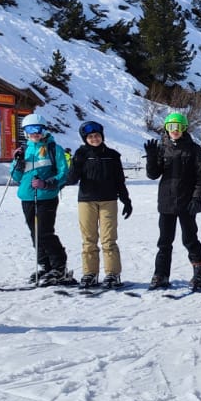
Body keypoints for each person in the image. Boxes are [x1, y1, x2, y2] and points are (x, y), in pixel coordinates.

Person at [62, 119, 132, 288]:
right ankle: (90, 273)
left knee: (109, 239)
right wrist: (75, 163)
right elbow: (71, 180)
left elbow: (120, 181)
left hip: (108, 200)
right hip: (87, 201)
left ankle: (113, 274)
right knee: (89, 239)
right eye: (90, 137)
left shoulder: (113, 155)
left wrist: (126, 200)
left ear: (102, 136)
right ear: (85, 139)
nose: (94, 139)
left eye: (97, 135)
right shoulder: (81, 154)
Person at [144, 111, 201, 291]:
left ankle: (200, 272)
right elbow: (153, 174)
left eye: (178, 127)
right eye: (171, 127)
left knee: (189, 238)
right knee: (164, 240)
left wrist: (197, 198)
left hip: (187, 202)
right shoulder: (163, 149)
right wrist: (151, 157)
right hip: (166, 202)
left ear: (184, 128)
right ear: (166, 129)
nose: (175, 130)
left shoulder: (193, 149)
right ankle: (161, 274)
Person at [9, 113, 73, 284]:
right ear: (25, 132)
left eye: (38, 129)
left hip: (47, 197)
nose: (35, 133)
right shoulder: (25, 150)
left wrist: (46, 183)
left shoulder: (54, 149)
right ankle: (45, 265)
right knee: (34, 233)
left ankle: (59, 267)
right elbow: (16, 176)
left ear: (44, 130)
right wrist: (16, 163)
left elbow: (63, 173)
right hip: (27, 197)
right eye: (30, 130)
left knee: (44, 232)